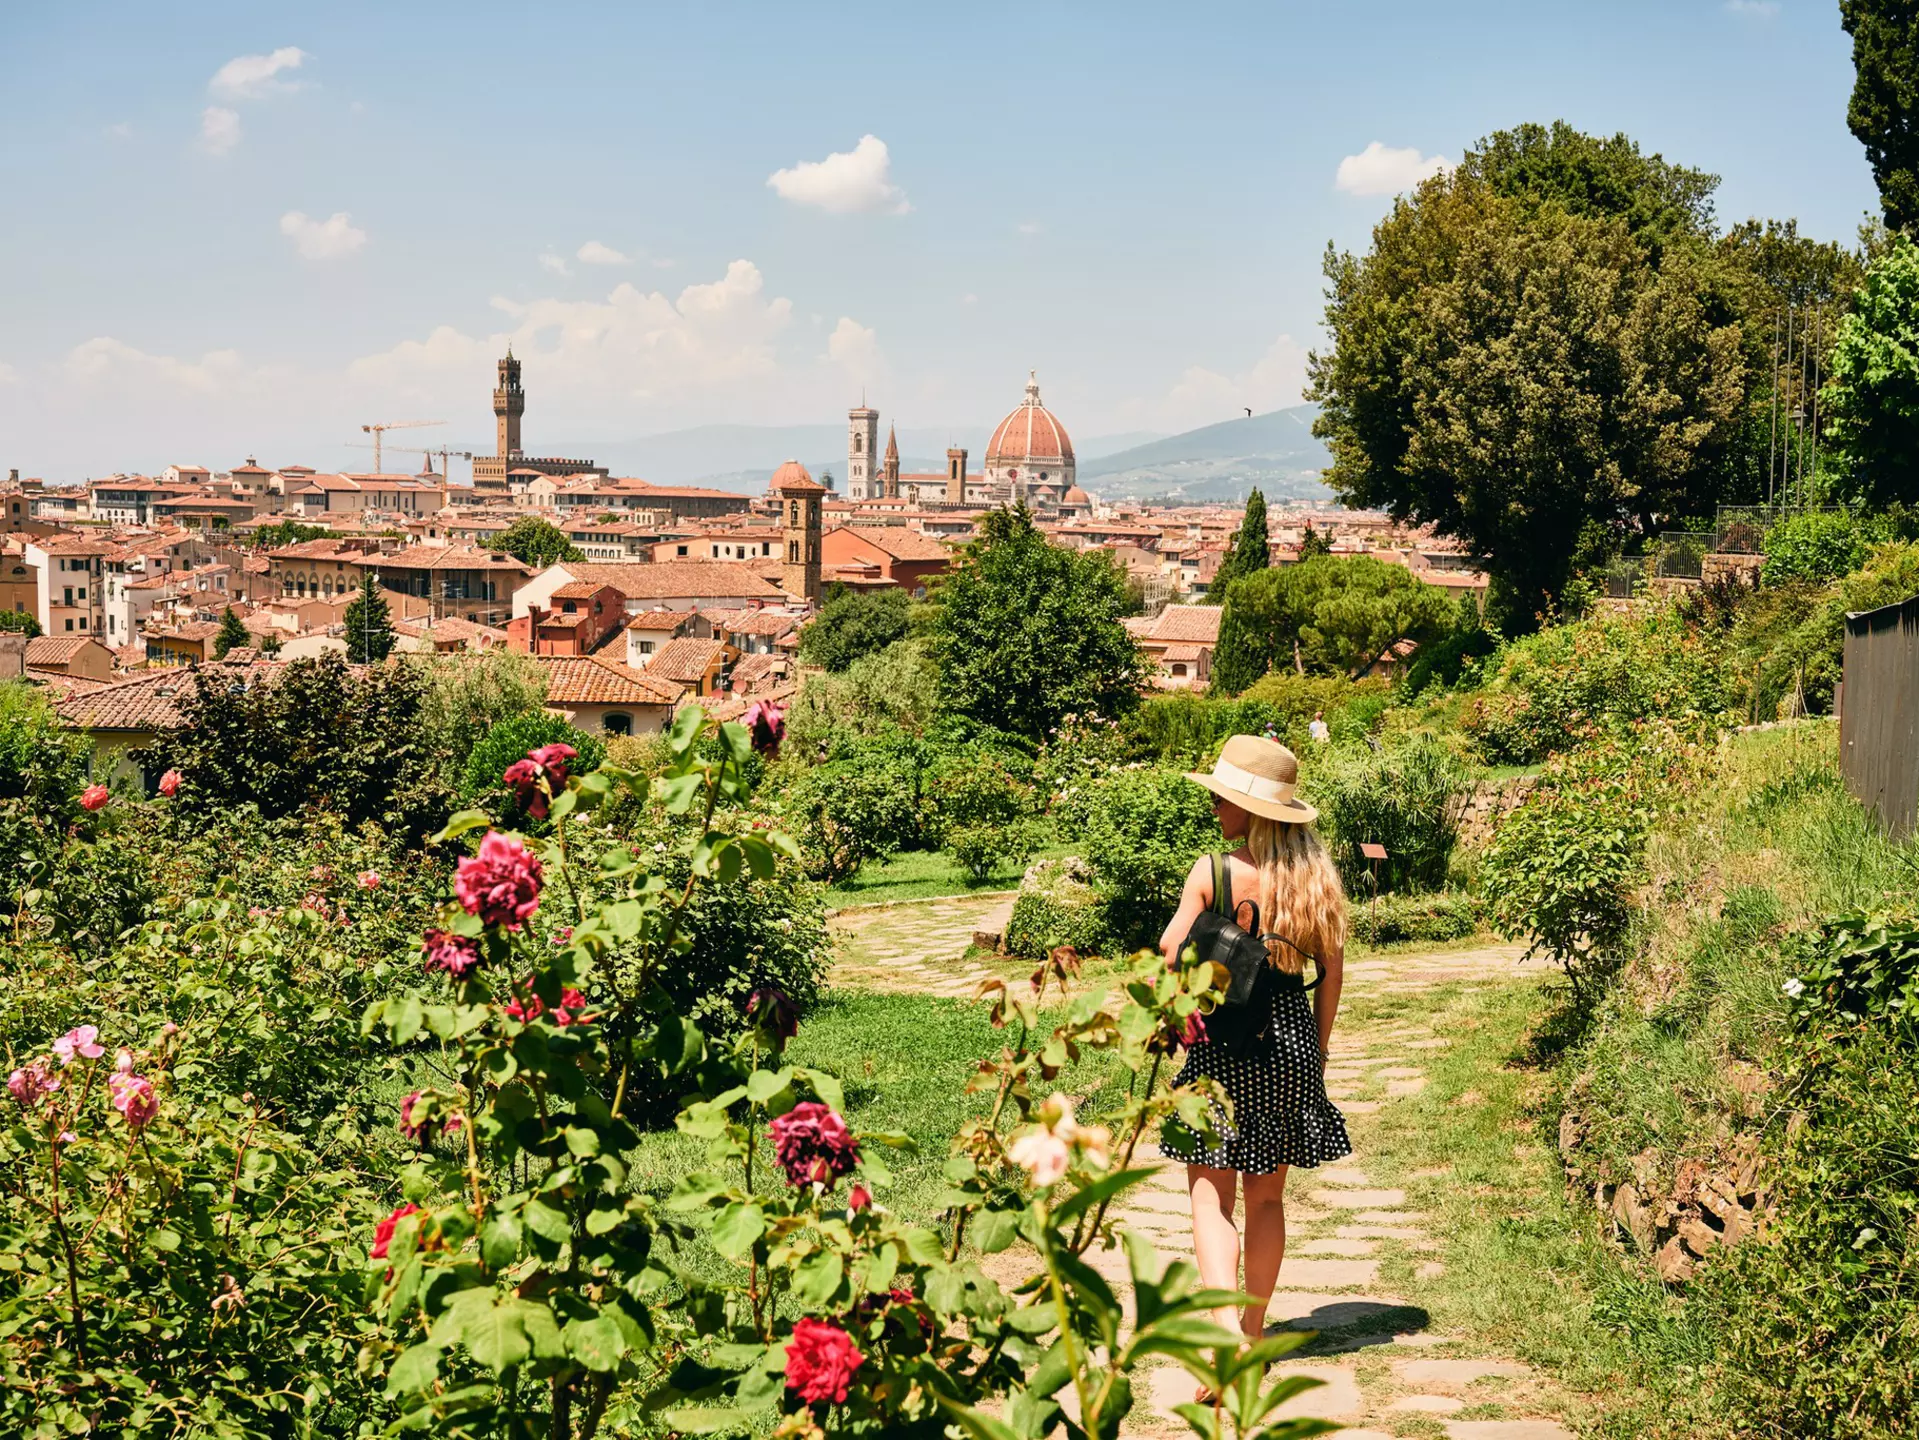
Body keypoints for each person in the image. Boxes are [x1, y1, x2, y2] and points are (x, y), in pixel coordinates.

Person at [1158, 734, 1348, 1356]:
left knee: (1210, 1195)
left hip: (1223, 1043)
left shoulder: (1213, 872)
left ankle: (1223, 1332)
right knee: (1266, 1199)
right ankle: (1253, 1330)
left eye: (1220, 799)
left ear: (1248, 808)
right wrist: (1318, 1051)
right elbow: (1332, 974)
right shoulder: (1314, 882)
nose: (1214, 808)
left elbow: (1169, 950)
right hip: (1291, 1045)